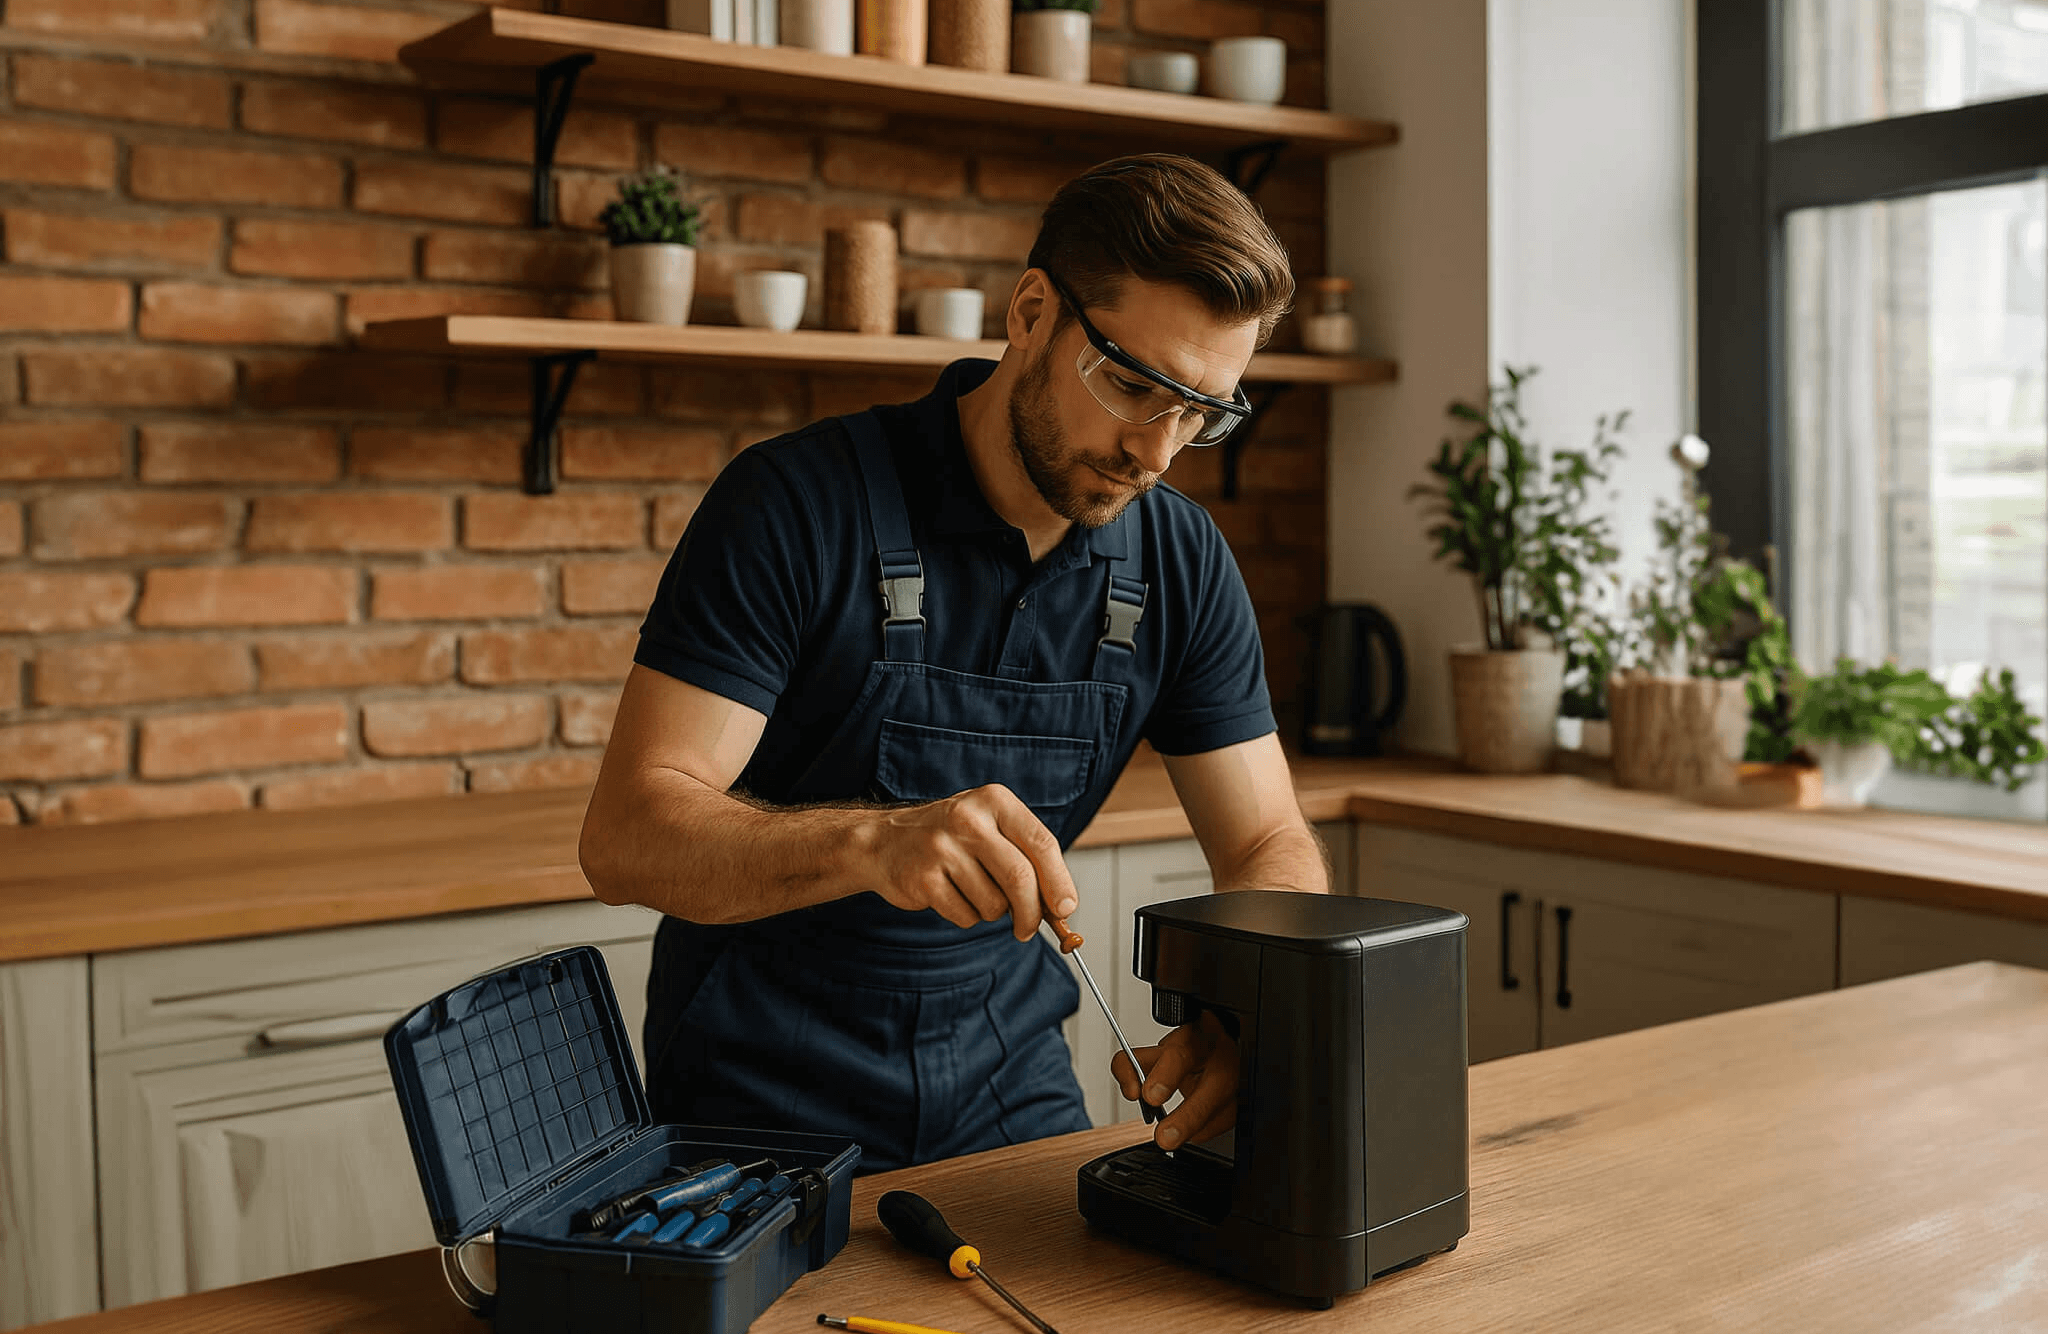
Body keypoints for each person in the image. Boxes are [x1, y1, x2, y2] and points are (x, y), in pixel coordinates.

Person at [579, 152, 1330, 1174]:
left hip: (1010, 1092)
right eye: (1129, 384)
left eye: (1201, 411)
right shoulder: (797, 505)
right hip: (754, 1108)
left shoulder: (1177, 561)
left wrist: (1252, 1008)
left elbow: (1267, 838)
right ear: (1030, 313)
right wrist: (870, 841)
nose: (1156, 452)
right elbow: (626, 835)